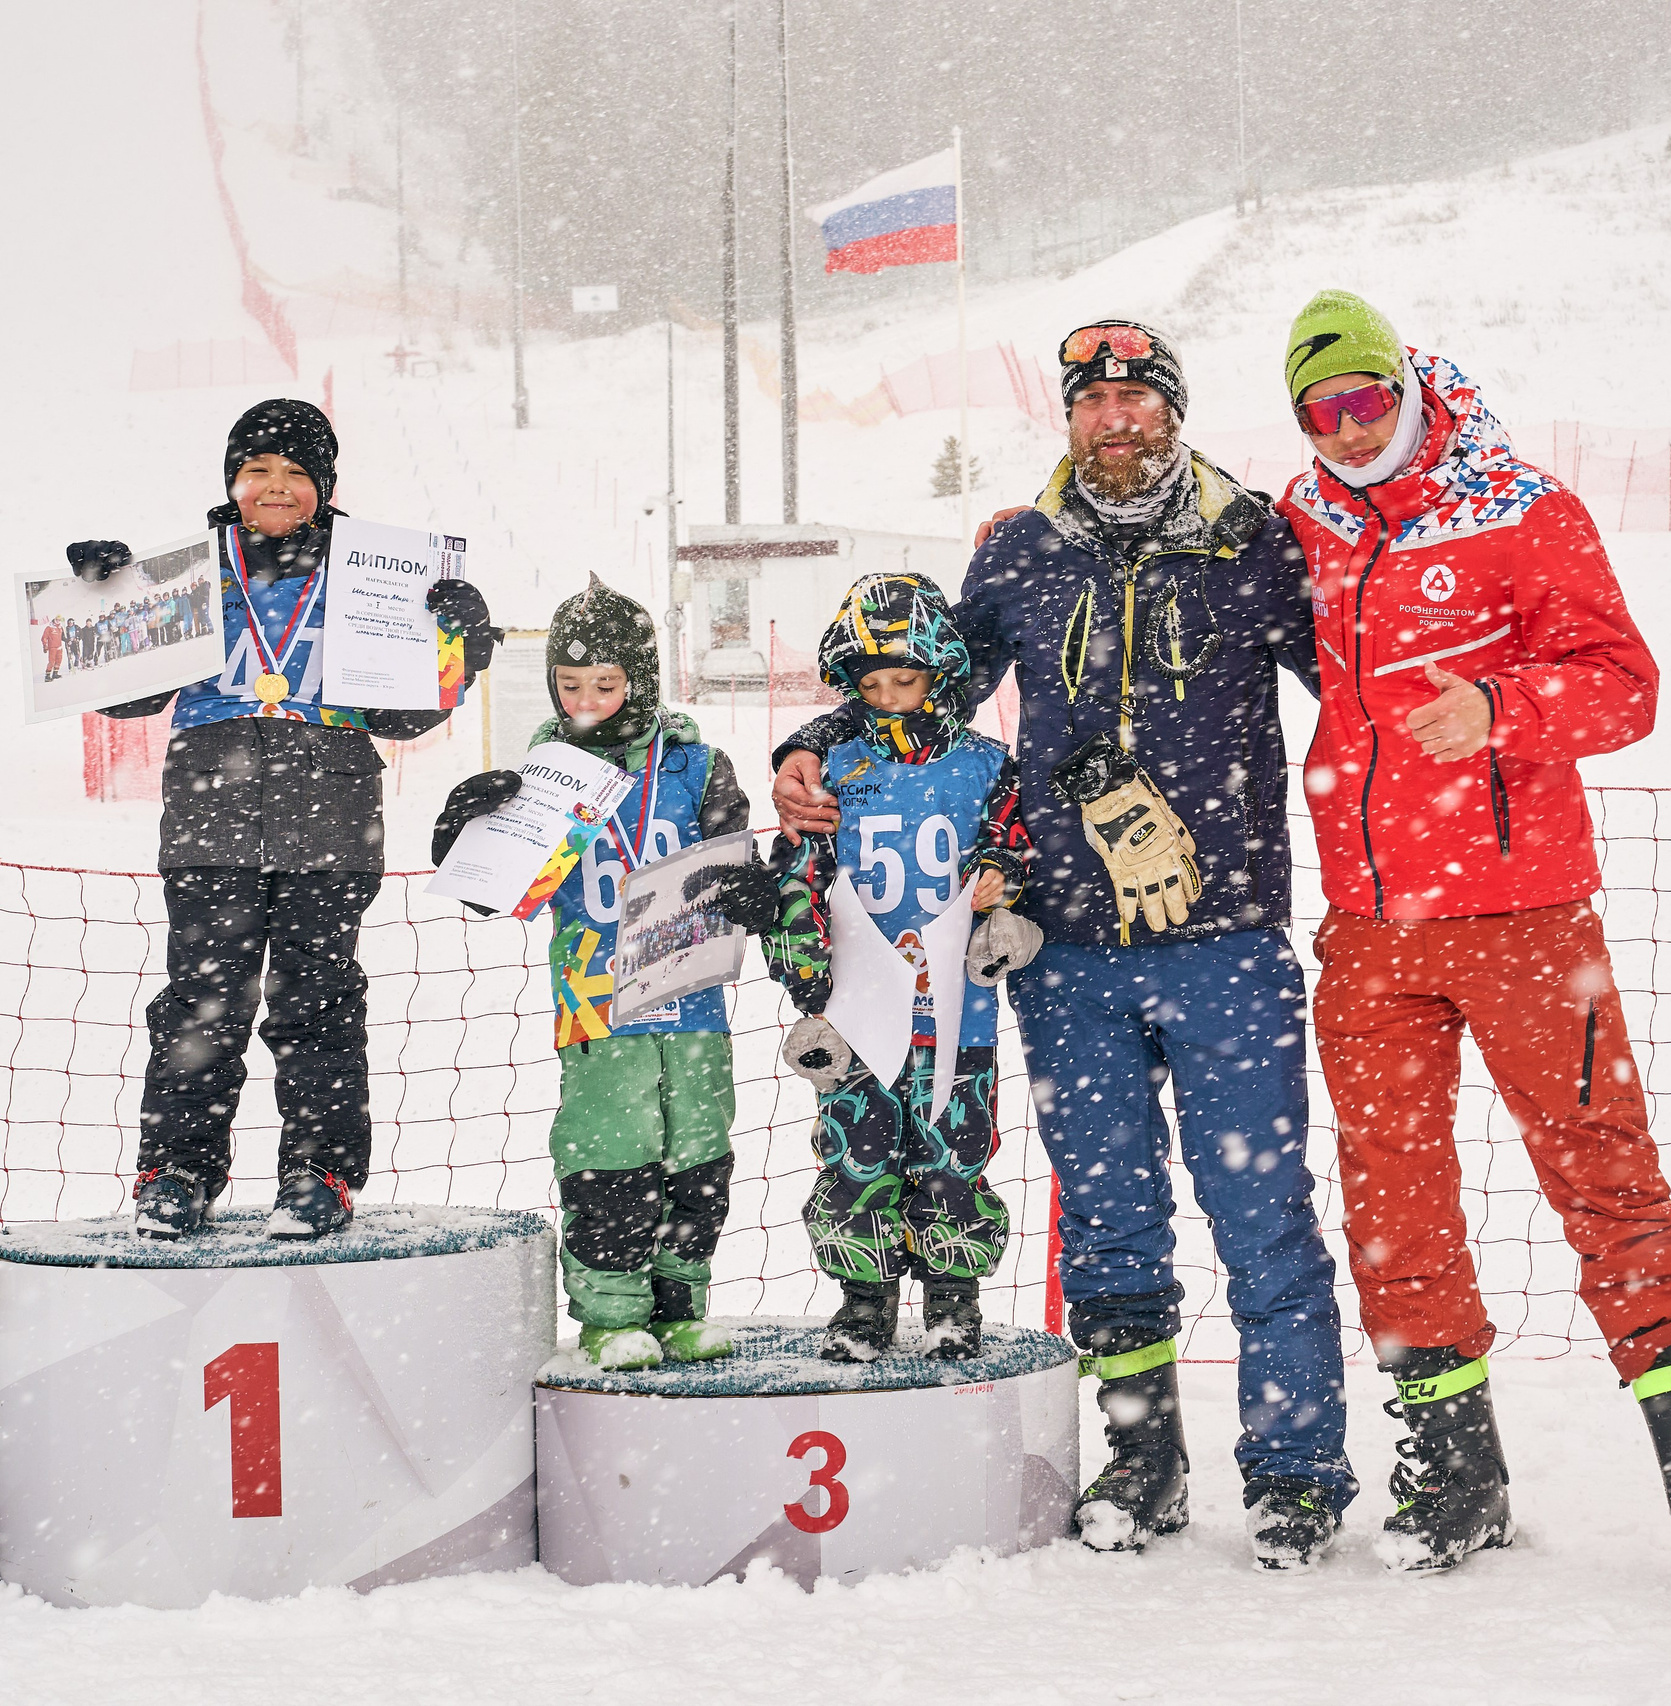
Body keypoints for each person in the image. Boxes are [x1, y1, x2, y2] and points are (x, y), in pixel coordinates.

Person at [772, 321, 1356, 1569]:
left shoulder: (1250, 541)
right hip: (1062, 942)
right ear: (1070, 419)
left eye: (1139, 398)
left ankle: (1296, 1470)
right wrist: (813, 740)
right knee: (1107, 1216)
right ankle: (1142, 1460)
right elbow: (921, 679)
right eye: (1094, 401)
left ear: (1174, 412)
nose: (1117, 419)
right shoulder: (1019, 553)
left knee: (1261, 1212)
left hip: (1225, 935)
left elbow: (1353, 681)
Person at [1278, 290, 1671, 1581]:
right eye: (1319, 410)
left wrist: (1503, 708)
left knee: (1603, 1173)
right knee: (1392, 1203)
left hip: (1523, 915)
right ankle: (1452, 1468)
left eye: (1363, 399)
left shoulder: (1521, 503)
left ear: (1406, 386)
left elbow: (1626, 685)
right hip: (1372, 925)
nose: (1346, 430)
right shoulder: (1299, 522)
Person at [68, 398, 499, 1240]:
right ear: (231, 481)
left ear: (325, 486)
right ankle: (178, 1171)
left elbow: (406, 716)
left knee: (319, 1000)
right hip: (211, 815)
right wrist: (102, 601)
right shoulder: (189, 574)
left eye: (297, 472)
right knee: (203, 1001)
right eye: (257, 469)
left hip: (331, 815)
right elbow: (127, 696)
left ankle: (319, 1172)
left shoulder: (378, 576)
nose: (276, 486)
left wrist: (458, 640)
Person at [431, 577, 753, 1371]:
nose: (589, 702)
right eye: (570, 687)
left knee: (700, 1150)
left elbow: (736, 864)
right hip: (596, 998)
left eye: (606, 686)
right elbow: (493, 890)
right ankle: (612, 1311)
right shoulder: (548, 775)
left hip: (690, 991)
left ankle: (682, 1303)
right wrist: (461, 835)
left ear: (640, 681)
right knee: (611, 1149)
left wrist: (749, 882)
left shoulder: (696, 766)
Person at [756, 572, 1037, 1362]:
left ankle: (953, 1298)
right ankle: (863, 1301)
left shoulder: (985, 764)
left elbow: (1017, 839)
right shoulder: (830, 768)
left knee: (954, 1159)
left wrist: (1002, 875)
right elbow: (798, 881)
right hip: (858, 1018)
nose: (888, 696)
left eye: (905, 679)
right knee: (857, 1160)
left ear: (941, 673)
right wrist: (805, 989)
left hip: (955, 1014)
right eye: (870, 683)